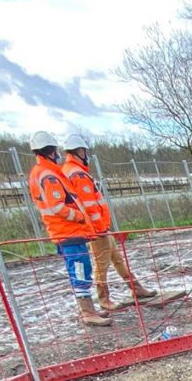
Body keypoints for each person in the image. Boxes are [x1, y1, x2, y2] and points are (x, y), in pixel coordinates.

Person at [61, 135, 157, 311]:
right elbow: (89, 205)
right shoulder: (77, 174)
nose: (86, 154)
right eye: (84, 151)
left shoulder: (72, 171)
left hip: (99, 227)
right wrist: (98, 229)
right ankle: (104, 299)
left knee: (117, 259)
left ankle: (137, 289)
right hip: (95, 229)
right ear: (79, 152)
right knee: (101, 264)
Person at [27, 131, 110, 327]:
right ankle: (88, 312)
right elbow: (57, 207)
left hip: (69, 232)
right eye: (55, 150)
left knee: (83, 268)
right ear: (49, 150)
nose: (57, 154)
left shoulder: (48, 172)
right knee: (80, 270)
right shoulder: (48, 175)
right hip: (68, 231)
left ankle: (89, 308)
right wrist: (81, 217)